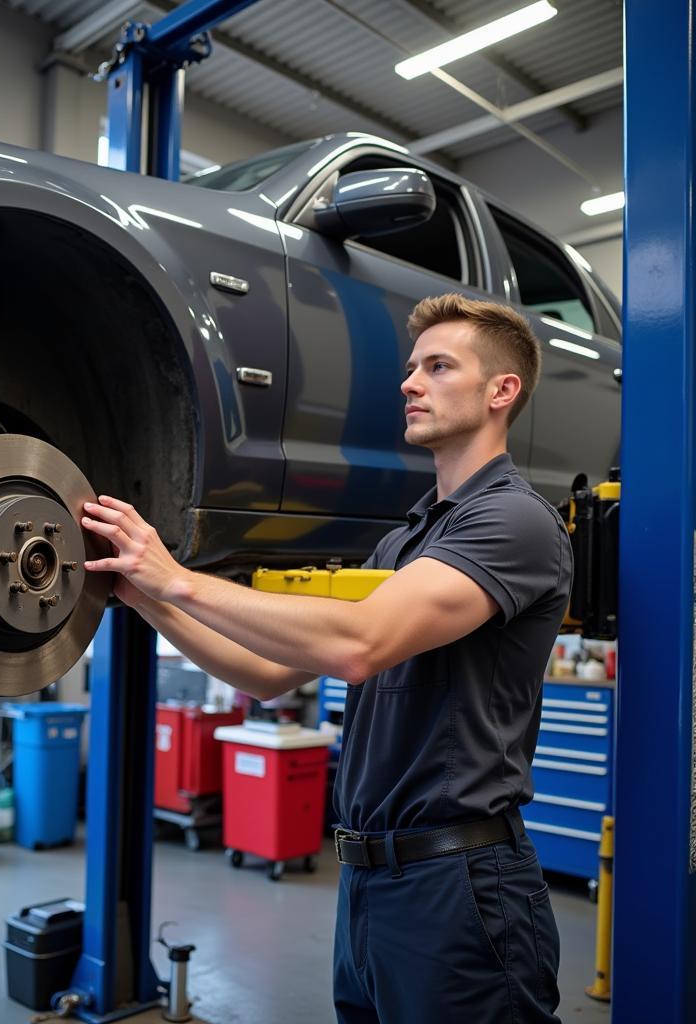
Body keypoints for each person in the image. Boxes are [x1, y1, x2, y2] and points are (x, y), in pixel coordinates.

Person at [80, 293, 571, 1024]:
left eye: (439, 367)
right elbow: (268, 674)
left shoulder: (513, 521)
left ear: (503, 391)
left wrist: (178, 577)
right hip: (371, 880)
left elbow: (358, 645)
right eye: (411, 368)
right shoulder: (405, 544)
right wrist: (145, 598)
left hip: (460, 886)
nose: (409, 383)